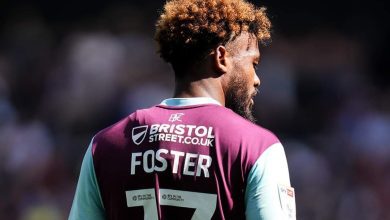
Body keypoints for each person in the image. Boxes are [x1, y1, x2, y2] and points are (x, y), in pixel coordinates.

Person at [69, 0, 295, 219]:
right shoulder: (257, 147)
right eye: (253, 64)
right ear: (221, 57)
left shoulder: (105, 145)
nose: (256, 79)